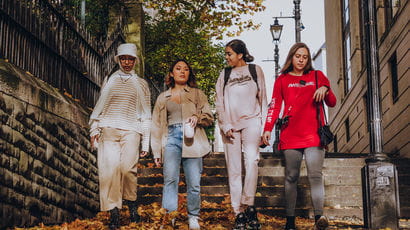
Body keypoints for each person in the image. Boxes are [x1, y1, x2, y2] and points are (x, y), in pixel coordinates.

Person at [261, 43, 337, 230]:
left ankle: (319, 218)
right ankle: (289, 221)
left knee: (315, 175)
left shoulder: (318, 76)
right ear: (291, 58)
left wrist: (326, 89)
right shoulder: (282, 80)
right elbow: (275, 105)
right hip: (291, 134)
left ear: (308, 59)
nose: (301, 60)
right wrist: (268, 128)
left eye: (304, 56)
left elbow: (332, 103)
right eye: (298, 56)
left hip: (314, 135)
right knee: (291, 176)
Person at [89, 43, 151, 230]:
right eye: (123, 58)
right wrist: (94, 130)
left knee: (127, 170)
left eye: (130, 59)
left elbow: (146, 113)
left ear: (134, 61)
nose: (126, 62)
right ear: (118, 60)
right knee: (110, 172)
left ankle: (132, 205)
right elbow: (100, 106)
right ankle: (114, 213)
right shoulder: (110, 80)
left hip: (132, 130)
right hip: (108, 129)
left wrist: (146, 143)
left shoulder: (141, 83)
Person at [151, 59, 214, 230]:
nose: (182, 71)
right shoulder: (162, 97)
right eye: (178, 69)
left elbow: (209, 116)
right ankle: (170, 216)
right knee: (170, 179)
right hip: (170, 139)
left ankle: (193, 216)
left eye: (186, 69)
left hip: (192, 139)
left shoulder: (197, 94)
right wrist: (156, 152)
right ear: (171, 73)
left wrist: (197, 118)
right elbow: (156, 125)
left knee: (194, 182)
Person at [215, 39, 267, 230]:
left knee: (252, 161)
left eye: (229, 54)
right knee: (234, 170)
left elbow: (263, 100)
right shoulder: (225, 74)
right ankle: (239, 213)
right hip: (230, 127)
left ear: (240, 54)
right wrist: (225, 124)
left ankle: (249, 204)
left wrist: (265, 127)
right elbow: (219, 102)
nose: (227, 57)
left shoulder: (255, 71)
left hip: (252, 122)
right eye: (226, 54)